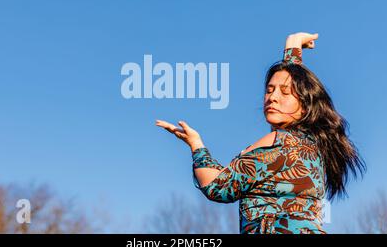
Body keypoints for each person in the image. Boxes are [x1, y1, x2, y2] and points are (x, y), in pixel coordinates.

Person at [156, 32, 365, 234]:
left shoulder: (278, 144)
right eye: (269, 90)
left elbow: (217, 186)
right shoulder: (310, 144)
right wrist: (292, 45)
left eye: (284, 92)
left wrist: (197, 146)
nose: (272, 97)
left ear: (305, 105)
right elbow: (297, 83)